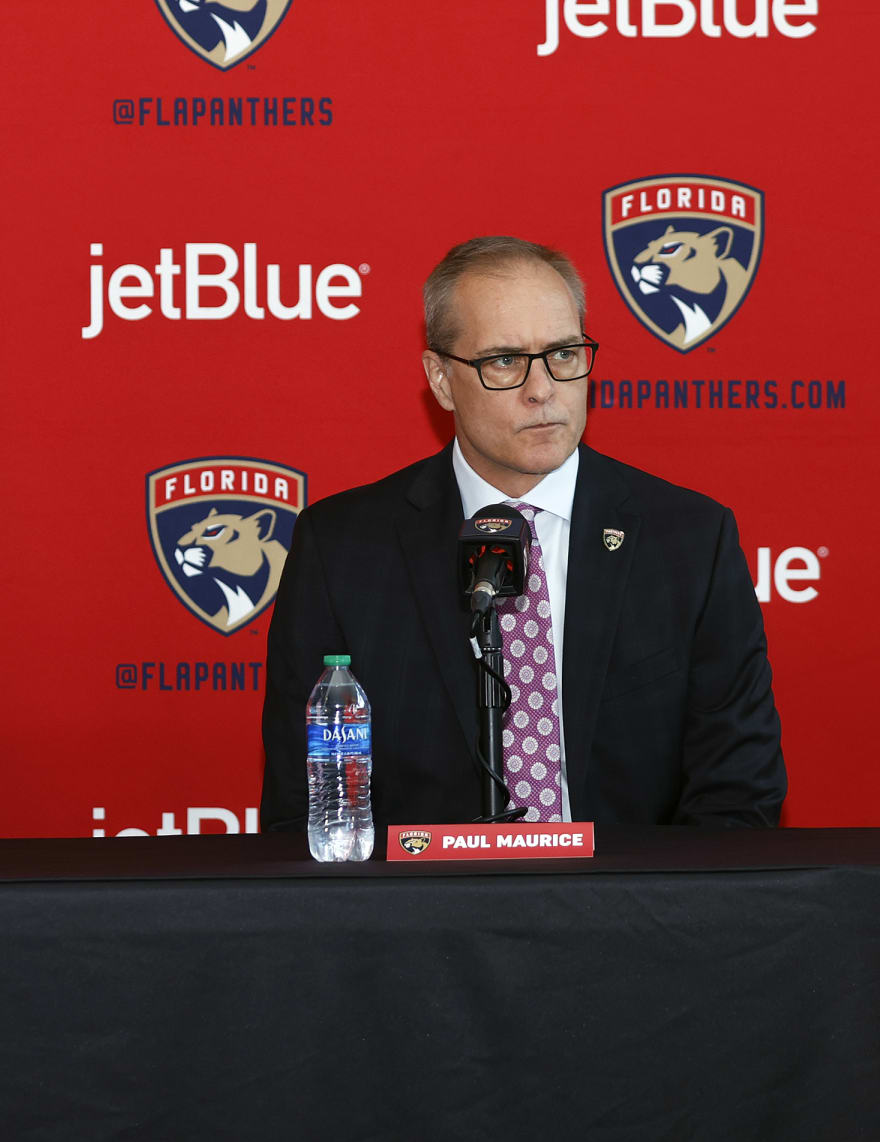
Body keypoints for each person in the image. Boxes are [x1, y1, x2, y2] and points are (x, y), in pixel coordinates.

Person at [261, 236, 784, 831]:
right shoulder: (343, 548)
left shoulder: (689, 540)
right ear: (439, 379)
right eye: (505, 361)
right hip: (419, 912)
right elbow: (308, 804)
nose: (543, 389)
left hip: (630, 912)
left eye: (563, 354)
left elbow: (737, 793)